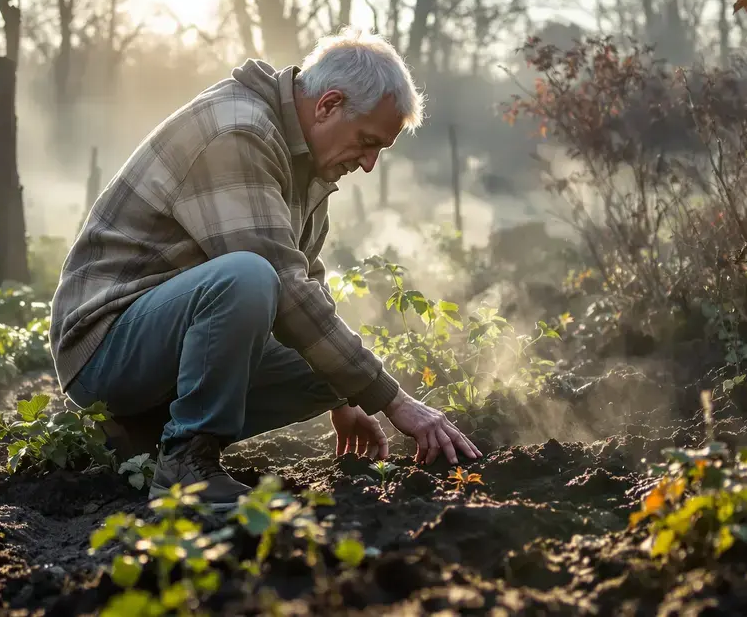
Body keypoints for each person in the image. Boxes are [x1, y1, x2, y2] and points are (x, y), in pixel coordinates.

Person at [48, 28, 481, 510]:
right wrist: (396, 402)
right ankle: (187, 465)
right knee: (250, 277)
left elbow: (307, 283)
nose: (369, 165)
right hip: (104, 345)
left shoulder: (305, 164)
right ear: (328, 104)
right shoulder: (236, 132)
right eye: (366, 142)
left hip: (161, 338)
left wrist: (348, 398)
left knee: (337, 370)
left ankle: (138, 436)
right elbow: (281, 282)